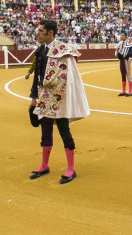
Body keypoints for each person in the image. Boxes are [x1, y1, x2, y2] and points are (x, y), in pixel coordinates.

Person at [28, 19, 90, 184]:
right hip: (43, 97)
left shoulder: (63, 50)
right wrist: (33, 97)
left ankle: (71, 169)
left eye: (41, 31)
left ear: (50, 33)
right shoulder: (40, 51)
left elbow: (70, 77)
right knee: (45, 131)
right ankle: (44, 165)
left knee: (64, 132)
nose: (38, 33)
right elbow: (37, 77)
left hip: (60, 98)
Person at [115, 32, 132, 96]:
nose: (121, 36)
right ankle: (123, 91)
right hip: (121, 60)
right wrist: (117, 55)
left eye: (123, 35)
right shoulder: (120, 43)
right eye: (121, 35)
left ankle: (130, 91)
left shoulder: (130, 42)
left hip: (126, 60)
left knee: (128, 75)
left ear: (126, 36)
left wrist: (124, 55)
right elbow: (116, 51)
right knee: (123, 75)